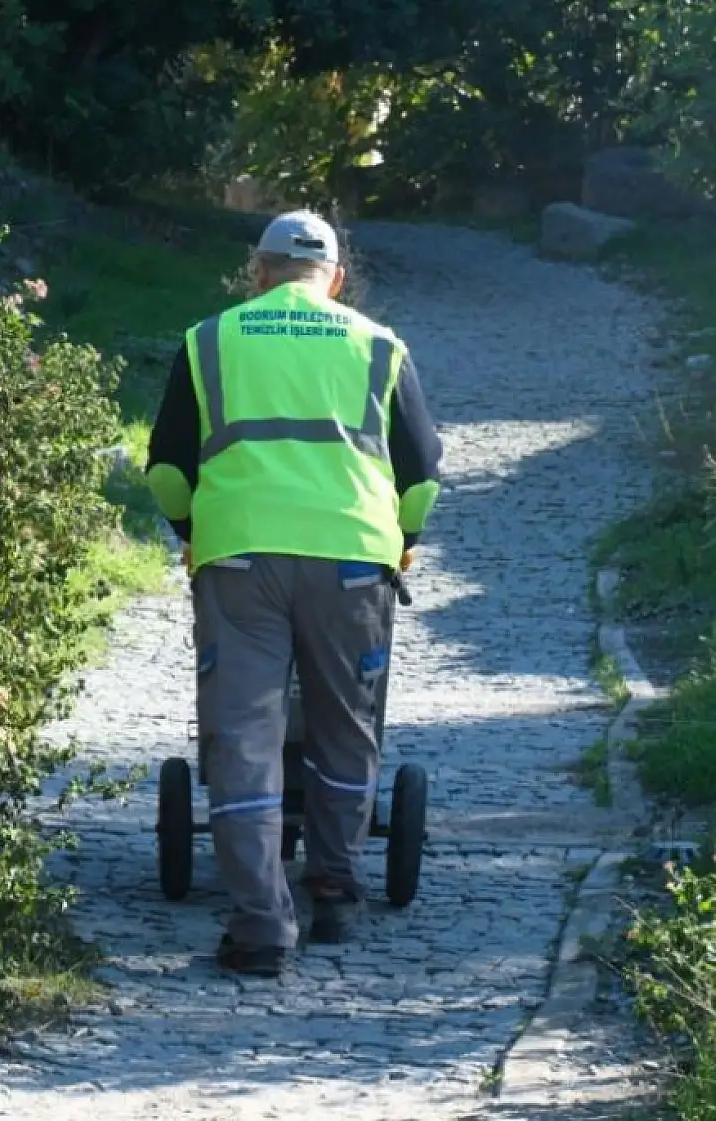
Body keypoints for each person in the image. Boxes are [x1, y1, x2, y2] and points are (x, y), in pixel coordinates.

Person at [145, 210, 443, 977]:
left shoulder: (208, 341)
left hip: (239, 555)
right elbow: (423, 478)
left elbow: (168, 472)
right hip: (351, 557)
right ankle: (336, 891)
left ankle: (259, 927)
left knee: (243, 738)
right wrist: (401, 540)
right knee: (346, 724)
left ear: (257, 271)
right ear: (336, 278)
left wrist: (190, 529)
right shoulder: (379, 346)